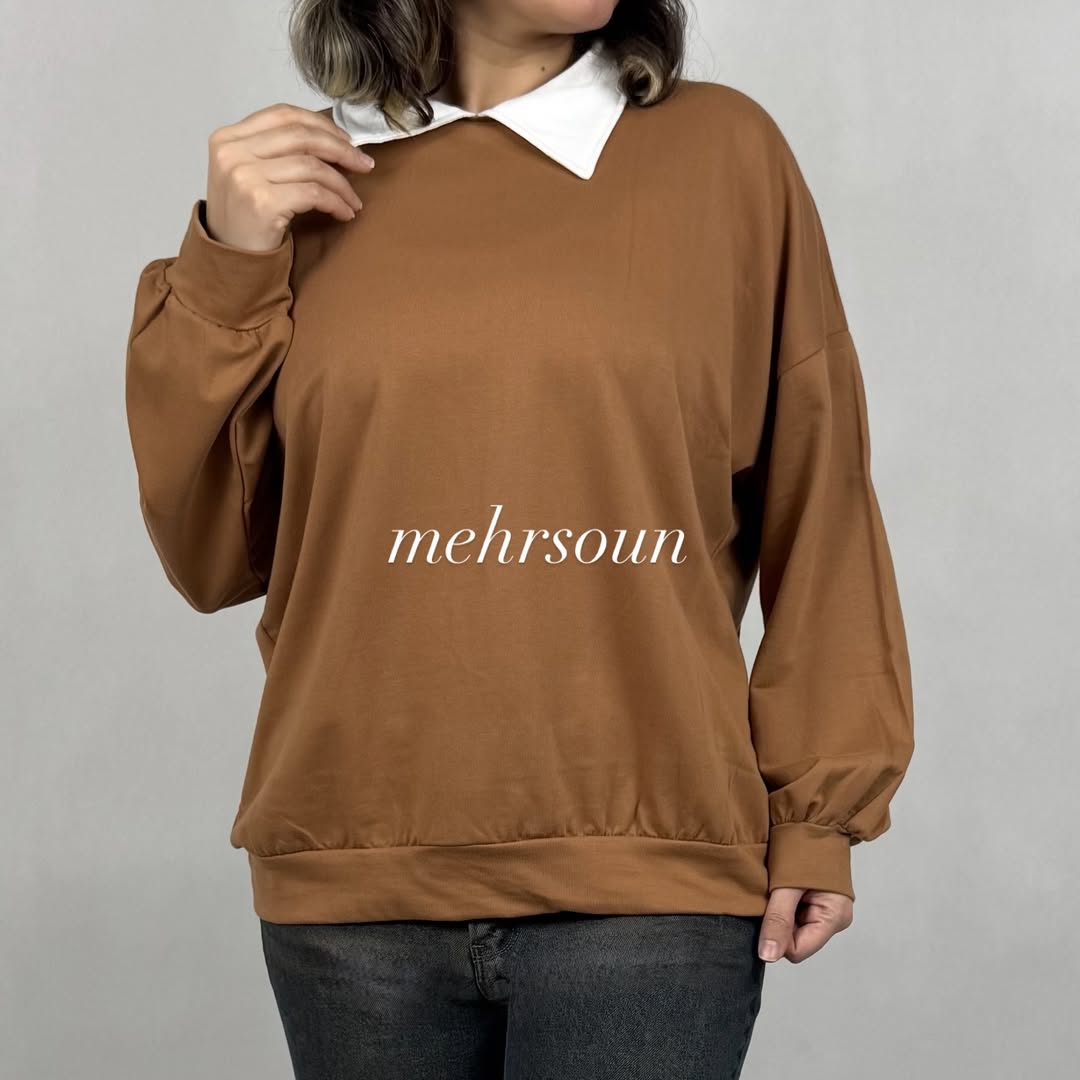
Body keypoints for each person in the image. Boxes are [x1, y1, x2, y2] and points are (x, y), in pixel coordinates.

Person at [123, 1, 915, 1076]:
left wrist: (821, 808)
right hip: (352, 894)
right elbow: (212, 554)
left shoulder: (725, 155)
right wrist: (226, 264)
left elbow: (821, 505)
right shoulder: (298, 184)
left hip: (649, 890)